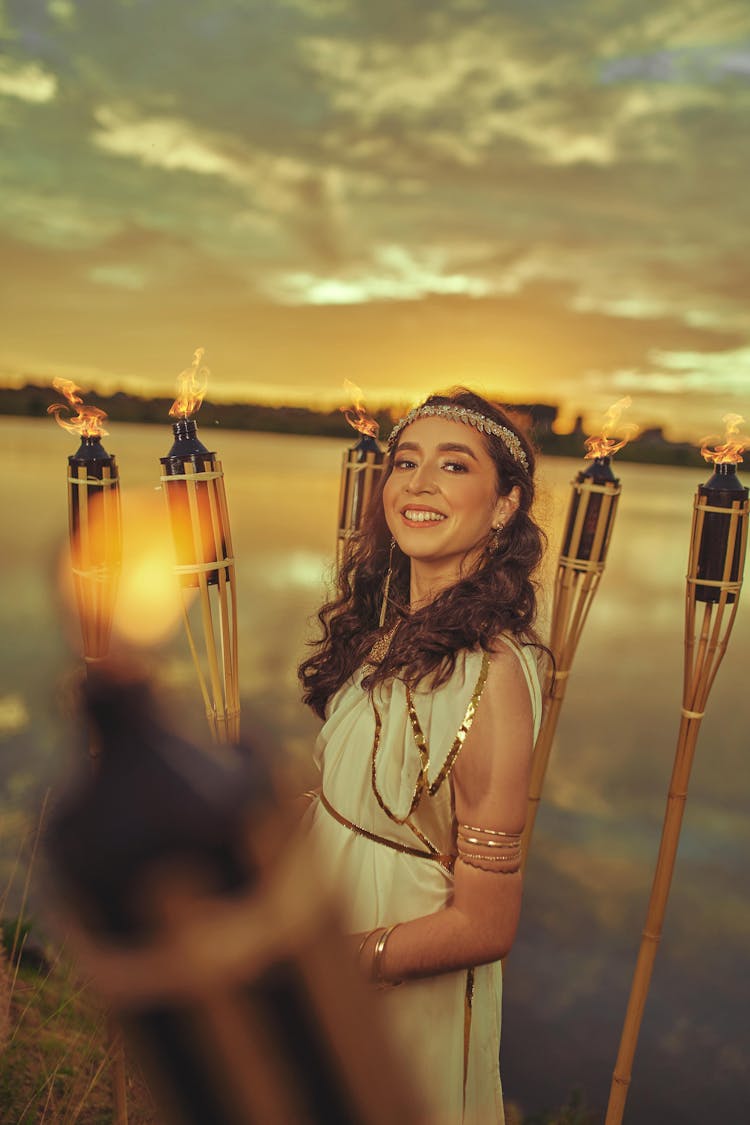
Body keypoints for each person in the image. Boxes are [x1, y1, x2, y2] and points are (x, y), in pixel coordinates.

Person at [298, 388, 547, 1124]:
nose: (419, 482)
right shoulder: (389, 629)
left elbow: (484, 925)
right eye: (406, 461)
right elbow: (359, 807)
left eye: (454, 465)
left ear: (504, 504)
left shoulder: (493, 674)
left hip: (396, 1003)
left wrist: (339, 964)